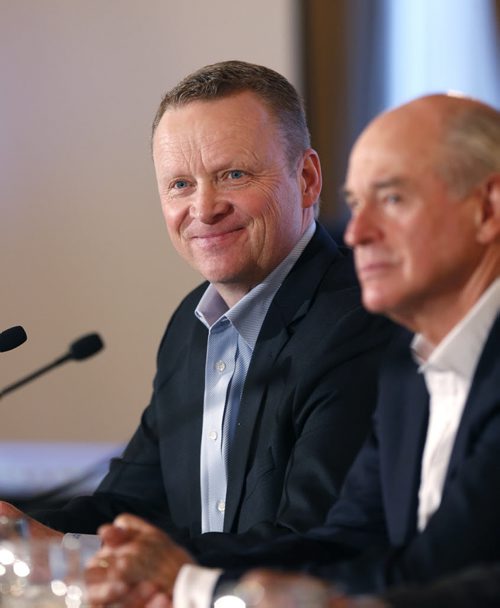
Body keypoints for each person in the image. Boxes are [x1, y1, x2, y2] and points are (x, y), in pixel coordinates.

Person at [84, 92, 500, 608]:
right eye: (179, 184)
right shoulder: (408, 371)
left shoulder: (364, 329)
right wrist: (44, 536)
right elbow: (344, 543)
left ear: (487, 209)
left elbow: (434, 571)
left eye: (392, 199)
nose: (359, 231)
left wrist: (195, 585)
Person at [0, 61, 394, 554]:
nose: (204, 209)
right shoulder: (192, 326)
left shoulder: (360, 322)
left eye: (233, 174)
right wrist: (18, 532)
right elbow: (130, 505)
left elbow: (310, 540)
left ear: (308, 178)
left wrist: (89, 554)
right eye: (180, 184)